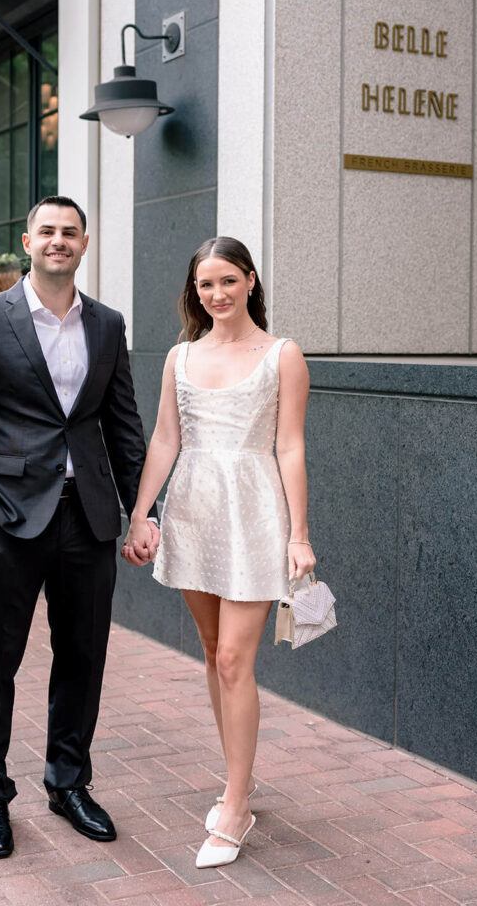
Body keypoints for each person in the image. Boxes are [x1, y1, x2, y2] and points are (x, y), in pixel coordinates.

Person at [0, 195, 159, 858]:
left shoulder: (107, 324)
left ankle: (68, 784)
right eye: (48, 231)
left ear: (84, 244)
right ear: (27, 240)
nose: (59, 241)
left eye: (70, 232)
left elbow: (123, 425)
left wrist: (141, 512)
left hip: (88, 517)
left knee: (83, 658)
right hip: (9, 516)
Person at [122, 236, 315, 869]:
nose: (218, 294)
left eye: (229, 280)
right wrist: (142, 513)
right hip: (195, 512)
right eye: (206, 284)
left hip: (256, 513)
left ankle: (235, 803)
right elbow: (166, 440)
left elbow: (290, 447)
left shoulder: (283, 355)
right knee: (212, 653)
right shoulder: (179, 357)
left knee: (235, 658)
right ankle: (241, 774)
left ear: (251, 281)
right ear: (195, 291)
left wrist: (300, 534)